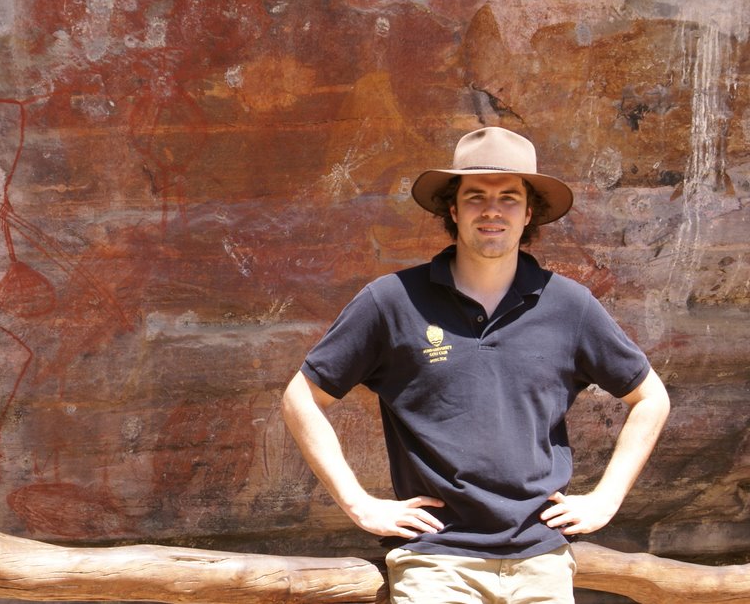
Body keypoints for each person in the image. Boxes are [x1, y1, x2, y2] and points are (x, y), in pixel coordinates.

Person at [281, 127, 670, 603]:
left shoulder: (570, 305)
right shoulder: (393, 301)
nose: (492, 210)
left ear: (529, 213)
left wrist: (606, 498)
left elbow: (650, 396)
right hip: (436, 561)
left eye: (509, 197)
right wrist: (358, 504)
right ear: (453, 209)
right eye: (475, 196)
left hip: (541, 559)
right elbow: (302, 396)